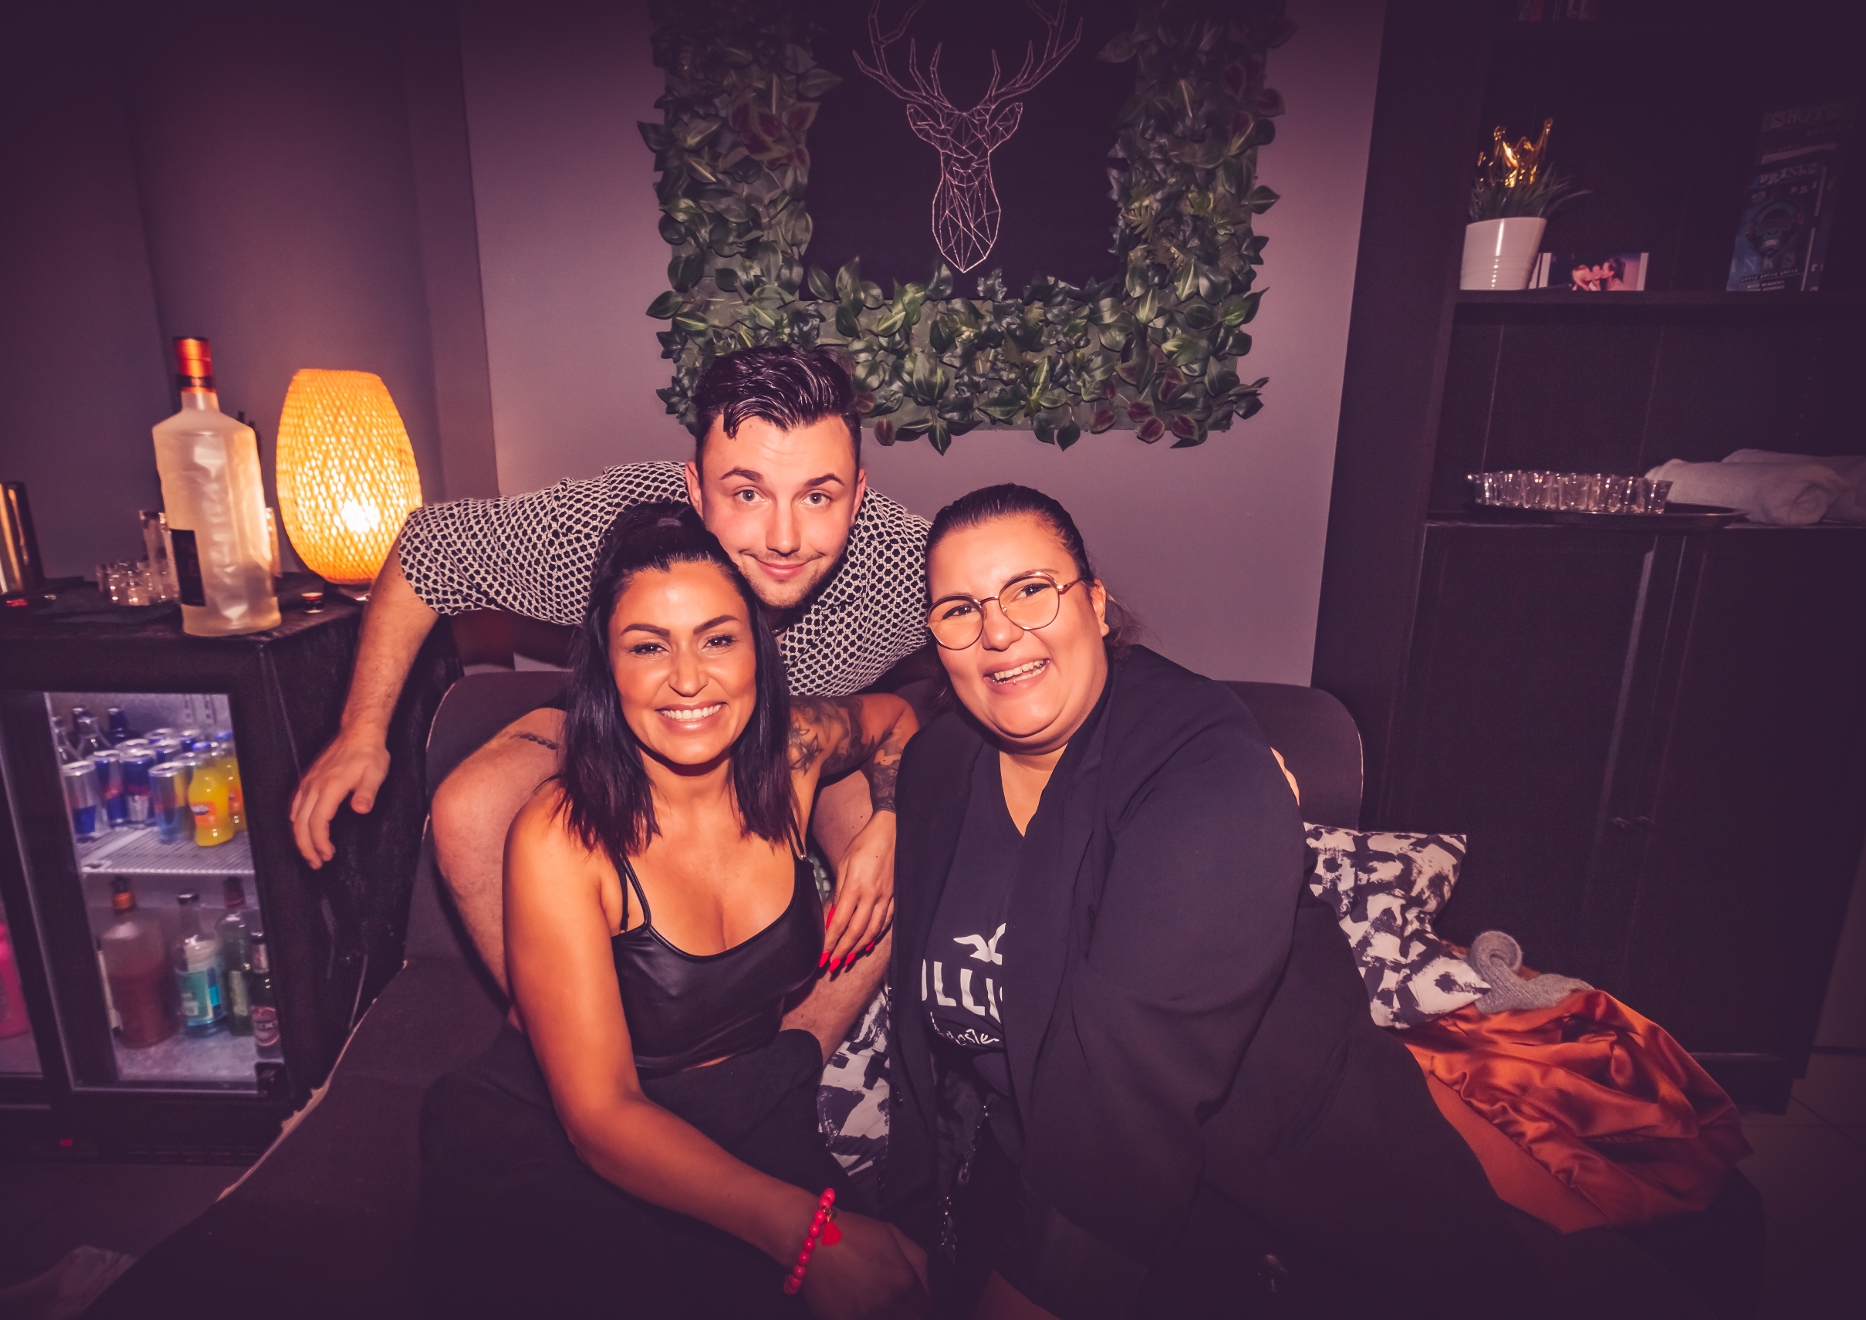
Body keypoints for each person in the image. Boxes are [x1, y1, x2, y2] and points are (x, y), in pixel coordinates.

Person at [878, 485, 1550, 1318]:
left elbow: (1124, 1092)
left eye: (1030, 589)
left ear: (1096, 603)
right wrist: (912, 1214)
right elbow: (927, 1059)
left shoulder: (1205, 765)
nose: (999, 631)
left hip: (1276, 1222)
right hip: (1019, 1197)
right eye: (959, 609)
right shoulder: (940, 764)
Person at [288, 346, 929, 998]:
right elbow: (429, 548)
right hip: (631, 722)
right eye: (747, 493)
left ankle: (794, 1049)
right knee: (467, 808)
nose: (784, 537)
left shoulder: (909, 566)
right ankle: (553, 1027)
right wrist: (361, 731)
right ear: (695, 490)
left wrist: (893, 815)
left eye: (818, 496)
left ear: (857, 496)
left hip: (816, 735)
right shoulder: (615, 529)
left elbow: (983, 652)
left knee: (901, 857)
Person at [418, 503, 929, 1318]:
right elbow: (600, 1114)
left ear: (758, 651)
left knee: (902, 1284)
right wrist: (807, 1233)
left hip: (751, 1102)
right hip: (576, 1141)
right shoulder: (565, 836)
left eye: (717, 639)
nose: (688, 678)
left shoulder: (796, 752)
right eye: (649, 646)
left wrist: (889, 825)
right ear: (608, 666)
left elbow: (898, 721)